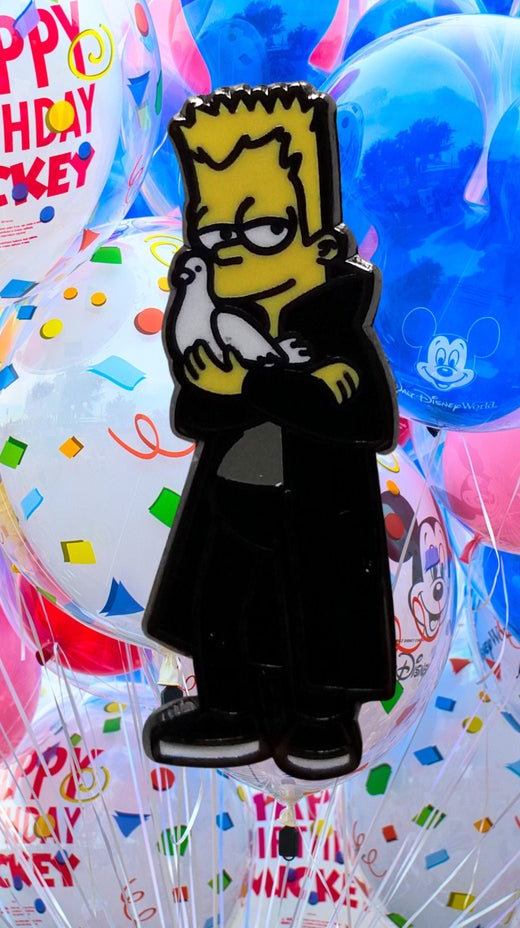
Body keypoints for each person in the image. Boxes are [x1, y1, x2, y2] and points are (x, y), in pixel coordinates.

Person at [141, 81, 398, 780]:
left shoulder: (336, 333)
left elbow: (368, 419)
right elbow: (195, 413)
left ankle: (322, 721)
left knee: (319, 612)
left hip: (316, 510)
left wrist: (254, 385)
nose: (234, 253)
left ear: (321, 245)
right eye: (216, 236)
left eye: (262, 231)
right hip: (231, 497)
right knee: (219, 607)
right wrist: (231, 386)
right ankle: (230, 711)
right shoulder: (222, 325)